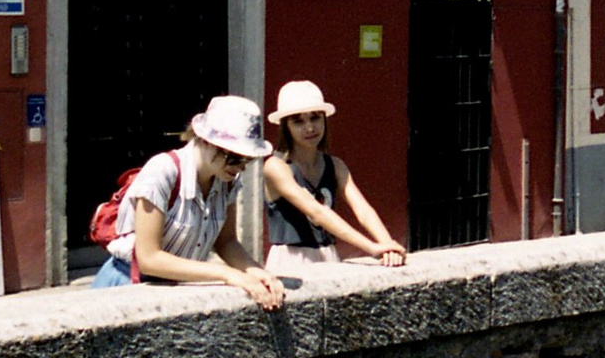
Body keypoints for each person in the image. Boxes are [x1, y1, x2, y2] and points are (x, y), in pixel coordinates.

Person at [93, 95, 285, 310]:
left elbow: (226, 241)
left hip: (177, 290)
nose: (241, 167)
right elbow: (149, 257)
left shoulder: (228, 181)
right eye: (235, 157)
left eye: (247, 159)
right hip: (128, 285)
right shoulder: (163, 171)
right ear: (205, 141)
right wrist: (227, 274)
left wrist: (256, 272)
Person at [263, 80, 407, 269]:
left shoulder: (336, 165)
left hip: (328, 255)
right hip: (290, 260)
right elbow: (317, 211)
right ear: (285, 126)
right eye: (298, 121)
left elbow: (362, 210)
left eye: (315, 118)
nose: (309, 128)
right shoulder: (276, 166)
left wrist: (388, 246)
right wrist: (372, 247)